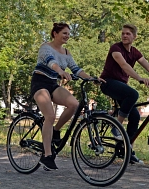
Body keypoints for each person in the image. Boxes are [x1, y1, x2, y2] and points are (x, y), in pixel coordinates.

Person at [30, 22, 105, 170]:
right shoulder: (45, 47)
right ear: (55, 33)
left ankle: (56, 131)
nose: (67, 36)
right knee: (49, 115)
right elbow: (52, 63)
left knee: (74, 104)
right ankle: (47, 155)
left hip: (53, 84)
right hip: (40, 83)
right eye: (64, 33)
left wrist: (92, 78)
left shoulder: (66, 52)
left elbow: (76, 69)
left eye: (69, 34)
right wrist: (60, 71)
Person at [99, 24, 149, 164]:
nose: (124, 36)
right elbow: (124, 65)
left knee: (135, 116)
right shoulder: (116, 48)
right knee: (133, 94)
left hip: (121, 86)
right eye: (123, 33)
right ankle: (116, 127)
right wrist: (139, 78)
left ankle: (127, 151)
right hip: (108, 83)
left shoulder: (134, 52)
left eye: (128, 34)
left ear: (134, 37)